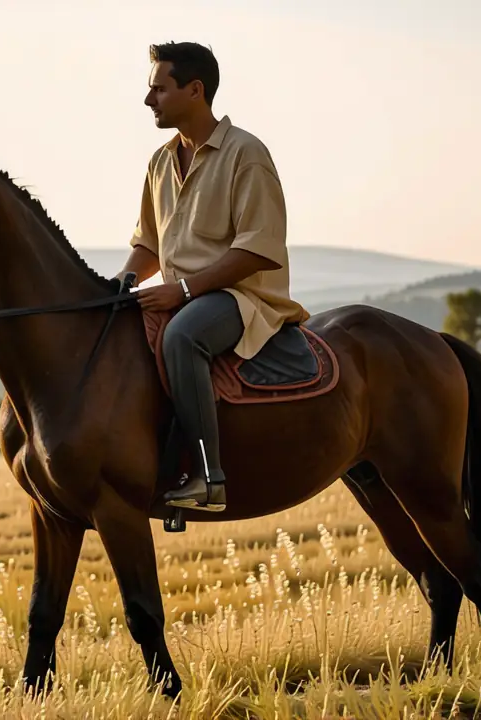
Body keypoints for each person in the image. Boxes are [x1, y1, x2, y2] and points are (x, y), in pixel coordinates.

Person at [117, 41, 309, 512]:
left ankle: (208, 478)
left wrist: (181, 290)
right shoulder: (159, 162)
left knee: (182, 337)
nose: (148, 101)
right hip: (181, 295)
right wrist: (122, 282)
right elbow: (149, 245)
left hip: (242, 300)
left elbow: (257, 249)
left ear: (195, 90)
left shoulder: (247, 153)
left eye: (159, 90)